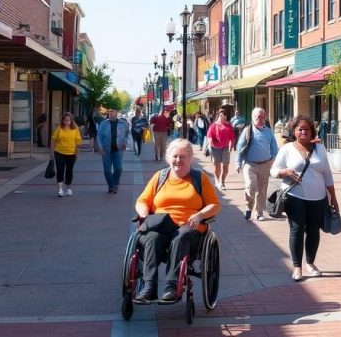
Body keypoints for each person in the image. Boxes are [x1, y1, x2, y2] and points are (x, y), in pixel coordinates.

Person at [134, 139, 220, 302]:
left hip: (189, 225)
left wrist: (200, 215)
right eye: (175, 156)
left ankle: (171, 287)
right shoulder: (159, 177)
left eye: (183, 157)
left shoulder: (199, 178)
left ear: (190, 159)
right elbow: (142, 200)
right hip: (162, 223)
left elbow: (214, 204)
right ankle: (149, 287)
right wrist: (143, 211)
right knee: (152, 238)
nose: (178, 160)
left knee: (179, 238)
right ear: (168, 158)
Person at [272, 115, 339, 281]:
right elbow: (273, 170)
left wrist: (334, 198)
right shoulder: (287, 149)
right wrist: (284, 172)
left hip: (318, 196)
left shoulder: (320, 149)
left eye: (306, 129)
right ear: (294, 131)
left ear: (311, 132)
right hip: (295, 196)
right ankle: (297, 267)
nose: (303, 132)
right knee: (296, 229)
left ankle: (310, 262)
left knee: (313, 231)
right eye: (299, 129)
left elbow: (327, 174)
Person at [235, 107, 279, 221]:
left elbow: (274, 148)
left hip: (265, 165)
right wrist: (238, 163)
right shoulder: (247, 131)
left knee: (262, 190)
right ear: (252, 117)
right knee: (250, 186)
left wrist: (273, 160)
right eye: (256, 117)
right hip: (250, 164)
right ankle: (249, 207)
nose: (259, 119)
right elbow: (239, 147)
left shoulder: (268, 132)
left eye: (261, 117)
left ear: (264, 117)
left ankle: (259, 213)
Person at [96, 109, 130, 194]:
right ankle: (112, 186)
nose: (110, 114)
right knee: (107, 171)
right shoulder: (104, 123)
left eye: (112, 112)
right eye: (109, 112)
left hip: (118, 149)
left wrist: (125, 143)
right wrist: (100, 147)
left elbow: (127, 134)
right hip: (106, 150)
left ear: (116, 113)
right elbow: (99, 136)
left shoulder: (123, 123)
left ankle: (113, 185)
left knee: (118, 169)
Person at [49, 112, 81, 197]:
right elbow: (53, 139)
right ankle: (60, 189)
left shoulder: (75, 129)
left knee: (69, 171)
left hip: (71, 153)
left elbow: (78, 142)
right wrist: (52, 152)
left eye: (69, 120)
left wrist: (77, 153)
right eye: (65, 120)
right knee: (60, 170)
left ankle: (69, 188)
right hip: (59, 152)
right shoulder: (59, 128)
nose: (67, 122)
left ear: (71, 120)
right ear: (63, 120)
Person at [205, 108, 236, 190]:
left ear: (225, 116)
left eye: (224, 115)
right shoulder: (213, 125)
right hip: (215, 148)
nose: (222, 116)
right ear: (218, 115)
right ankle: (217, 180)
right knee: (217, 166)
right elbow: (209, 136)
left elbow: (232, 138)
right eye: (220, 115)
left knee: (225, 167)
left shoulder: (228, 126)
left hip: (225, 148)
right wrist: (209, 142)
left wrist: (231, 146)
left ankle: (222, 182)